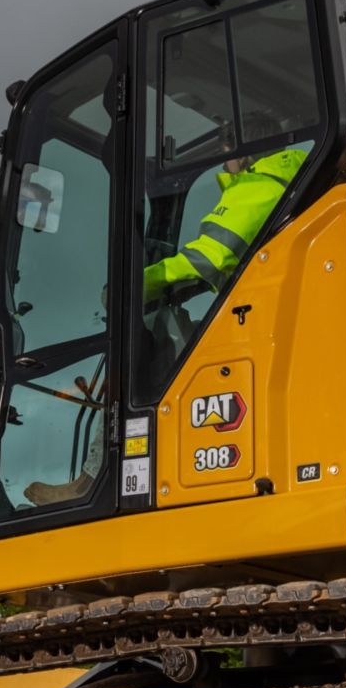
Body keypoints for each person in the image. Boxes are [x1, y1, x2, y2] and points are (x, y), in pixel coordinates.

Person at [21, 143, 308, 510]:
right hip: (263, 325)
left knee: (139, 351)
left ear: (251, 147)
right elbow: (229, 265)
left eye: (230, 143)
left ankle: (93, 479)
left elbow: (205, 258)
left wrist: (135, 286)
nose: (224, 152)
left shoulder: (259, 185)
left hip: (253, 332)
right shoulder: (286, 186)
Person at [142, 144, 309, 306]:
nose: (223, 166)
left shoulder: (255, 187)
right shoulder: (292, 179)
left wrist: (140, 284)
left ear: (242, 156)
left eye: (226, 156)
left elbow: (208, 260)